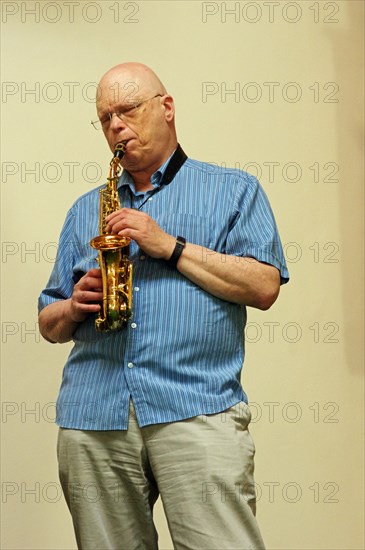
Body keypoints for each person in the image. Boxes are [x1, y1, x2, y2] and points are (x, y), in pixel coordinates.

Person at [38, 62, 289, 550]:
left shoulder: (233, 190)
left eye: (127, 110)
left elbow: (264, 286)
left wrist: (168, 245)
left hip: (196, 407)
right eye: (105, 116)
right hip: (94, 416)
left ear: (167, 109)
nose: (116, 125)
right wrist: (73, 306)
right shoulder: (85, 209)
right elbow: (48, 321)